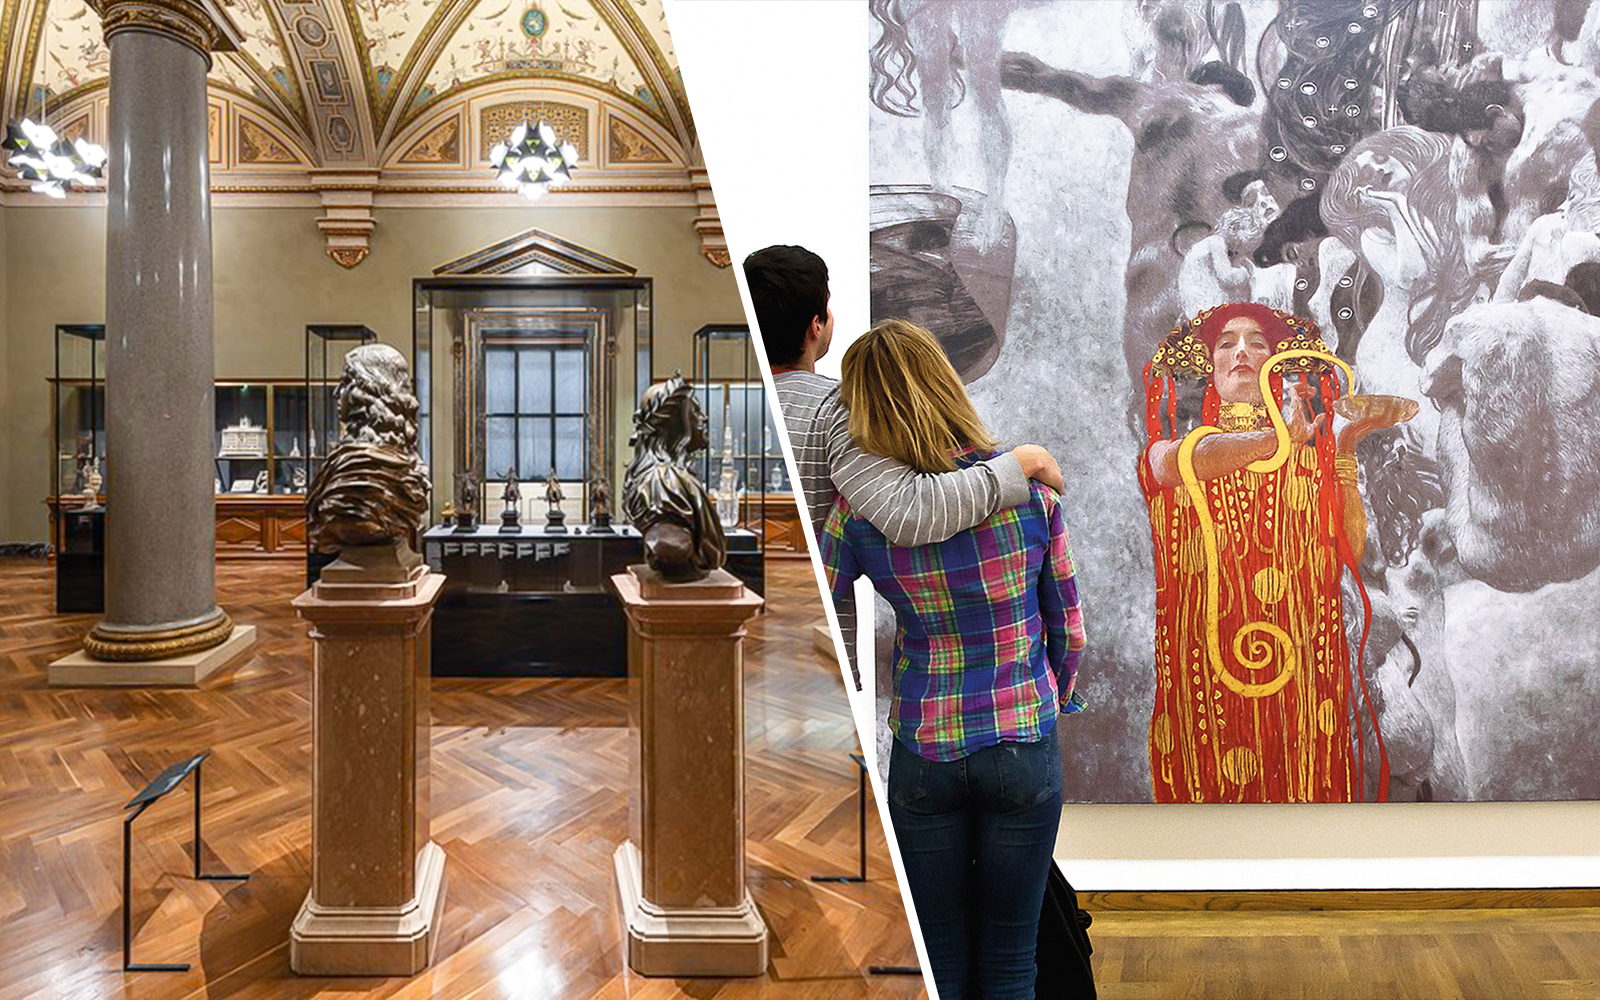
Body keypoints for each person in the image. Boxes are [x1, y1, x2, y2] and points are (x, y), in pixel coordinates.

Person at [821, 319, 1084, 1000]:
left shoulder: (857, 513)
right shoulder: (1033, 495)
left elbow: (824, 601)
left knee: (938, 958)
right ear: (946, 383)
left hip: (925, 745)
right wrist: (1058, 692)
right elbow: (1070, 629)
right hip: (1022, 737)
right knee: (1011, 960)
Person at [743, 245, 1062, 681]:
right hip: (805, 663)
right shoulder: (836, 410)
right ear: (815, 325)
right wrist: (1022, 463)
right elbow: (908, 511)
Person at [1139, 302, 1412, 802]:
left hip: (1306, 667)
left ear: (1273, 364)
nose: (1241, 350)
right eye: (1226, 343)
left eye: (1256, 342)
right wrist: (1277, 438)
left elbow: (1350, 548)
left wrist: (1345, 449)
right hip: (1207, 668)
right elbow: (1180, 463)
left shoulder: (1308, 458)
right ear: (1211, 365)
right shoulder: (1168, 449)